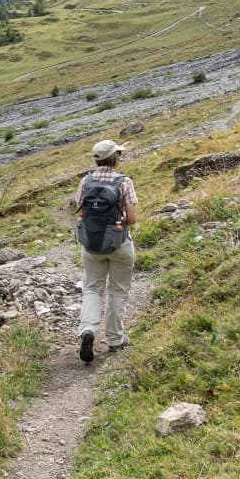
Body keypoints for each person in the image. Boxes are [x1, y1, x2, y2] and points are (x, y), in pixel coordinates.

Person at [74, 139, 138, 363]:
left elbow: (80, 212)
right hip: (119, 243)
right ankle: (115, 339)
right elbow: (131, 218)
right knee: (117, 291)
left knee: (92, 288)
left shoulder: (86, 181)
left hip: (91, 244)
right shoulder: (124, 182)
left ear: (97, 159)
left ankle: (88, 331)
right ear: (116, 158)